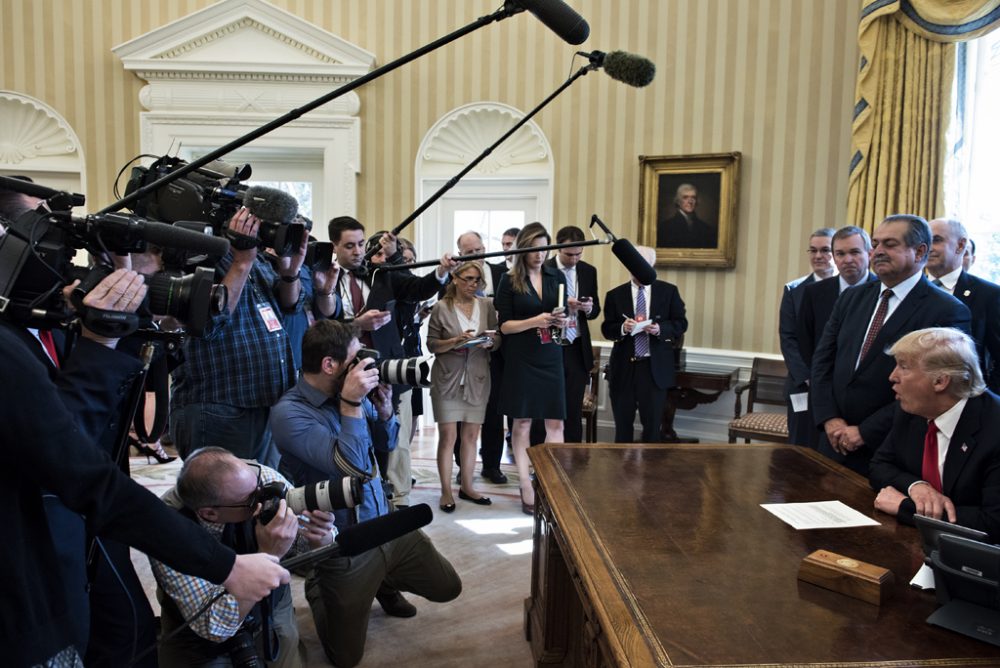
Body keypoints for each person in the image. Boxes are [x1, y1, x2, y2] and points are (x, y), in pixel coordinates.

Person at [0, 315, 289, 667]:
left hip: (82, 531)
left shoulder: (55, 334)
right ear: (207, 512)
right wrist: (236, 564)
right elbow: (77, 466)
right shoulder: (11, 346)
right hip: (32, 570)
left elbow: (81, 449)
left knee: (127, 630)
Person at [269, 320, 462, 668]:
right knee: (345, 658)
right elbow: (353, 468)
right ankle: (318, 581)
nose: (364, 366)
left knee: (448, 587)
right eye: (356, 358)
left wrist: (385, 413)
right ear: (330, 365)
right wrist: (350, 403)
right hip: (344, 541)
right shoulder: (289, 413)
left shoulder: (349, 395)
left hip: (385, 520)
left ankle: (382, 582)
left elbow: (385, 446)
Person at [811, 214, 972, 475]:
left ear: (920, 251)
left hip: (890, 448)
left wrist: (864, 431)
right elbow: (822, 362)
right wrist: (829, 419)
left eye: (890, 244)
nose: (879, 252)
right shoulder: (851, 298)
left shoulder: (947, 310)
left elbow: (934, 389)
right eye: (876, 244)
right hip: (833, 441)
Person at [151, 448, 335, 667]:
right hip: (200, 618)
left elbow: (306, 543)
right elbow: (214, 626)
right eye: (250, 501)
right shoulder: (168, 530)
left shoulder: (259, 479)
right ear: (209, 513)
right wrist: (269, 554)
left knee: (285, 647)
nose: (261, 500)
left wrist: (322, 539)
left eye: (258, 488)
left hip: (269, 600)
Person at [328, 215, 457, 508]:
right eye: (350, 246)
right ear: (334, 245)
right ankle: (354, 497)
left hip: (386, 368)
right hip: (341, 373)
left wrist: (441, 272)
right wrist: (357, 324)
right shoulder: (324, 276)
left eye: (361, 244)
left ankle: (389, 493)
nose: (358, 251)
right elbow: (322, 324)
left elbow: (418, 288)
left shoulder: (381, 274)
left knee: (389, 434)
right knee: (350, 435)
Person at [170, 206, 308, 468]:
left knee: (258, 496)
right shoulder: (204, 254)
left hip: (266, 402)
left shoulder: (259, 260)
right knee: (221, 501)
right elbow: (208, 322)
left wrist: (290, 271)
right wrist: (241, 261)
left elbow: (291, 306)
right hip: (220, 406)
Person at [870, 328, 1000, 541]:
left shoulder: (994, 429)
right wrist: (917, 487)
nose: (892, 377)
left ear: (940, 381)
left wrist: (907, 508)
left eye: (903, 367)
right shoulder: (913, 410)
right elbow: (880, 465)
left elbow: (992, 523)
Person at [494, 222, 568, 514]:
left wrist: (562, 320)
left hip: (551, 354)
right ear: (524, 248)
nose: (540, 255)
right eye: (535, 248)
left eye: (545, 248)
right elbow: (505, 326)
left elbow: (562, 314)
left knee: (556, 423)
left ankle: (551, 482)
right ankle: (525, 483)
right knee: (522, 422)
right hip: (522, 357)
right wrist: (535, 321)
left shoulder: (556, 275)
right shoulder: (508, 280)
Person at [427, 261, 499, 511]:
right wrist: (456, 341)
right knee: (448, 436)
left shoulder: (487, 305)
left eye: (477, 280)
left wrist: (490, 343)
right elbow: (432, 345)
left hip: (478, 379)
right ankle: (446, 491)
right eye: (467, 279)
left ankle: (467, 486)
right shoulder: (441, 307)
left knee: (471, 436)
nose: (472, 284)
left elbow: (498, 338)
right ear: (455, 279)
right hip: (447, 378)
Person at [797, 226, 877, 449]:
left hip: (868, 406)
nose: (847, 259)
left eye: (855, 252)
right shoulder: (815, 292)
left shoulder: (883, 292)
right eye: (840, 254)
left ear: (869, 254)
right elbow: (806, 342)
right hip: (824, 397)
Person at [601, 245, 688, 443]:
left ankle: (650, 472)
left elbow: (680, 323)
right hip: (624, 369)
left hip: (654, 370)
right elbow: (607, 329)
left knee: (652, 430)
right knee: (622, 429)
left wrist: (660, 329)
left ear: (652, 266)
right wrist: (623, 328)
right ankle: (621, 472)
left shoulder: (668, 292)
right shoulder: (615, 295)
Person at [531, 225, 601, 444]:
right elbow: (532, 306)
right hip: (548, 345)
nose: (574, 259)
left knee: (572, 408)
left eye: (579, 254)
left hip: (576, 348)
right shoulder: (543, 269)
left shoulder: (588, 271)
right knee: (543, 407)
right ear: (558, 249)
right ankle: (538, 461)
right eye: (569, 254)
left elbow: (596, 309)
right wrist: (560, 304)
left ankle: (573, 464)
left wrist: (588, 308)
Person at [451, 231, 509, 484]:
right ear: (460, 256)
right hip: (462, 358)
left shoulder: (503, 275)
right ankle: (463, 467)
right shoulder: (453, 281)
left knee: (495, 413)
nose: (477, 255)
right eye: (470, 253)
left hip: (495, 355)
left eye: (479, 250)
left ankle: (492, 465)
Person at [926, 218, 1000, 393]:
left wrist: (989, 400)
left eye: (936, 240)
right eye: (925, 241)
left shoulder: (989, 294)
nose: (928, 247)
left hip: (967, 398)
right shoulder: (911, 289)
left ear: (960, 246)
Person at [778, 228, 836, 445]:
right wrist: (808, 377)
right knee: (800, 447)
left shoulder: (852, 290)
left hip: (837, 386)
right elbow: (788, 338)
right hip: (803, 385)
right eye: (813, 250)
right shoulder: (795, 290)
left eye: (825, 250)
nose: (818, 256)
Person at [656, 183, 717, 248]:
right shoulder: (665, 227)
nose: (690, 201)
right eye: (685, 197)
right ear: (678, 201)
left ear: (696, 201)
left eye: (693, 197)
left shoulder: (706, 229)